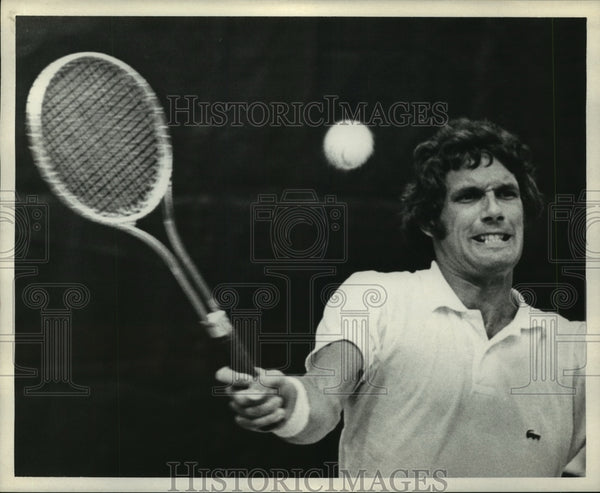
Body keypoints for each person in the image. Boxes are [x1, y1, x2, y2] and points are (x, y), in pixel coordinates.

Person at [215, 118, 586, 477]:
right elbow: (322, 400)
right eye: (469, 197)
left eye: (506, 193)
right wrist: (287, 402)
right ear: (429, 221)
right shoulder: (375, 298)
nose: (494, 211)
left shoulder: (575, 349)